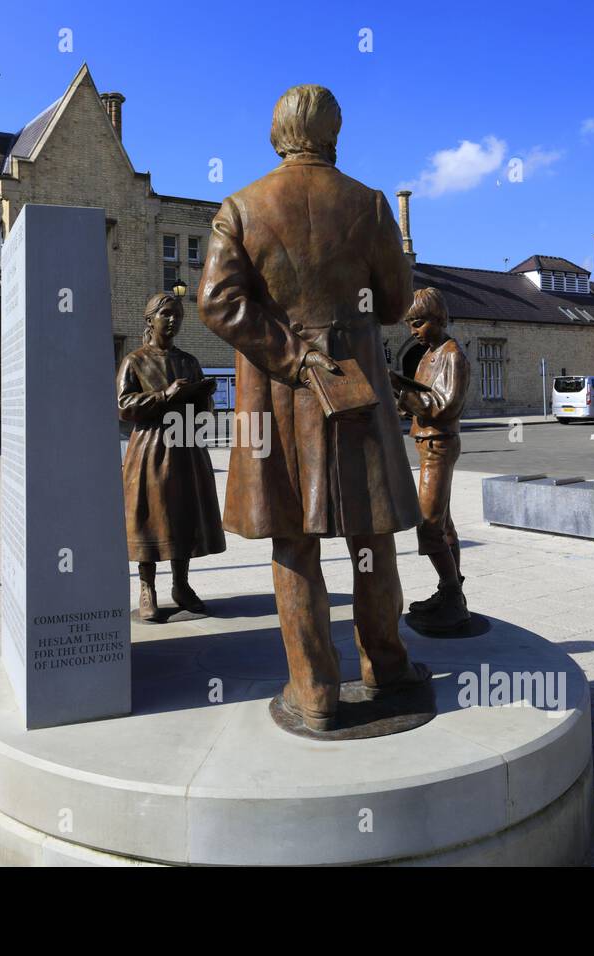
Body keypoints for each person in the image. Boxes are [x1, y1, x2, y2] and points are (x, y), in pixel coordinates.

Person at [198, 83, 426, 732]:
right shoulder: (370, 204)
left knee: (293, 542)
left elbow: (216, 302)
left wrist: (291, 357)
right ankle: (385, 666)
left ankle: (315, 690)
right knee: (371, 538)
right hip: (353, 388)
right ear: (334, 134)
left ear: (277, 136)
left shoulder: (241, 207)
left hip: (276, 400)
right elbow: (391, 307)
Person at [117, 292, 226, 622]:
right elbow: (123, 405)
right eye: (166, 314)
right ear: (150, 320)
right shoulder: (134, 360)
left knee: (183, 513)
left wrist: (203, 398)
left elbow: (203, 413)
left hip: (186, 447)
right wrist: (165, 395)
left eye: (178, 314)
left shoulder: (189, 361)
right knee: (149, 516)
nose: (173, 319)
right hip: (150, 448)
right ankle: (147, 588)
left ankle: (181, 585)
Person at [393, 288, 471, 629]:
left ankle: (453, 594)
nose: (413, 331)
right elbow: (422, 397)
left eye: (419, 323)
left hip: (440, 442)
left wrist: (408, 397)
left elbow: (446, 405)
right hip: (427, 442)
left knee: (428, 525)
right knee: (444, 522)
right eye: (411, 324)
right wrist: (401, 392)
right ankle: (450, 591)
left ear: (438, 318)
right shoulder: (427, 355)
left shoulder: (452, 354)